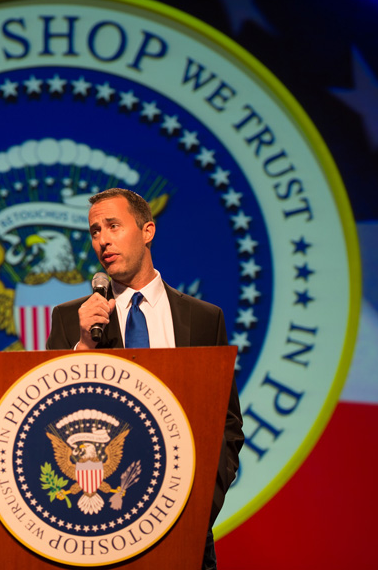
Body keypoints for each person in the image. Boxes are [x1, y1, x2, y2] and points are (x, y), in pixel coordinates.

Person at [45, 188, 244, 570]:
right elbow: (52, 418)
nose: (102, 240)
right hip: (102, 530)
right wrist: (84, 345)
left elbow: (226, 423)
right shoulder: (73, 320)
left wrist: (203, 503)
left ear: (147, 231)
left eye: (113, 226)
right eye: (95, 231)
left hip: (186, 525)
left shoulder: (203, 319)